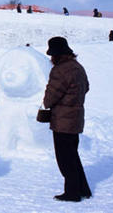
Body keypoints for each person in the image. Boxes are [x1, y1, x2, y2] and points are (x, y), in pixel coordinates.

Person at [42, 37, 91, 202]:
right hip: (76, 118)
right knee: (73, 155)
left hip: (62, 121)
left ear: (56, 54)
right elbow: (87, 87)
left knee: (65, 159)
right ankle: (83, 189)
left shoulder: (59, 70)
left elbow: (50, 98)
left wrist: (50, 102)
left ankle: (72, 193)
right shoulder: (78, 67)